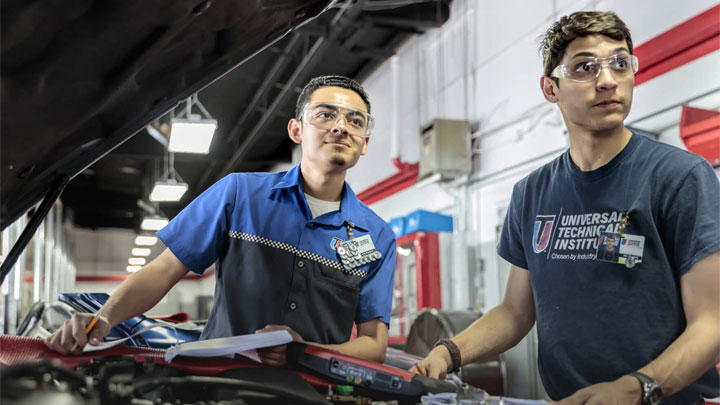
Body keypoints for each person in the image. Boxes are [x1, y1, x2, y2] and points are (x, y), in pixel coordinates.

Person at [412, 11, 720, 405]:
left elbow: (711, 325)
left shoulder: (678, 177)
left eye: (620, 63)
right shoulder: (531, 193)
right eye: (585, 67)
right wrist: (449, 351)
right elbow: (515, 312)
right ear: (550, 88)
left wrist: (635, 387)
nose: (607, 80)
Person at [45, 75, 397, 366]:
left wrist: (303, 353)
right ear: (296, 130)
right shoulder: (238, 194)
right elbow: (164, 270)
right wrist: (104, 318)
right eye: (325, 115)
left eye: (355, 120)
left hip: (313, 391)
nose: (341, 127)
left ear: (364, 143)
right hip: (217, 381)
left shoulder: (377, 237)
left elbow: (373, 345)